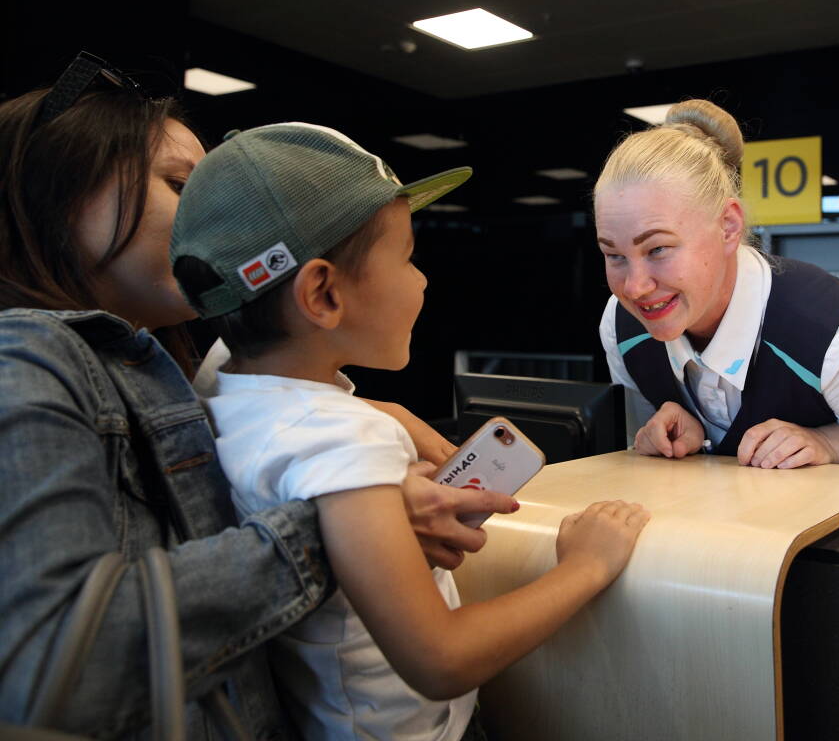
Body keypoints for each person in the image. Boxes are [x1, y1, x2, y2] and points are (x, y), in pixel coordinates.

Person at [0, 53, 516, 737]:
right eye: (182, 186)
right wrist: (347, 531)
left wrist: (369, 420)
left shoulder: (184, 369)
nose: (215, 219)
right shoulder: (25, 357)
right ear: (61, 193)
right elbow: (56, 667)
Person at [170, 122, 651, 741]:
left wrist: (385, 418)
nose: (422, 280)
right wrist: (585, 566)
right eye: (406, 257)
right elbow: (441, 659)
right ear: (322, 293)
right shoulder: (342, 439)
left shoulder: (214, 388)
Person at [594, 99, 839, 497]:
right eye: (614, 256)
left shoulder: (834, 334)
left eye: (658, 249)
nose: (635, 287)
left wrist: (830, 443)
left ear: (728, 226)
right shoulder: (622, 324)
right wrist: (679, 434)